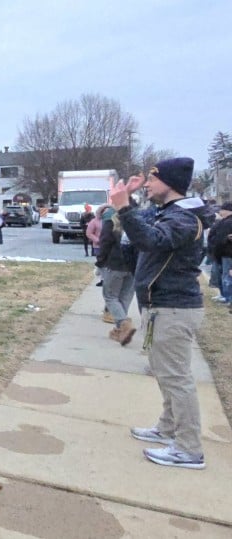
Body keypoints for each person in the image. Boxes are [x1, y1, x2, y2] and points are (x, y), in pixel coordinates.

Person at [112, 157, 214, 470]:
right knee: (165, 373)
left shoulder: (183, 219)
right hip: (161, 306)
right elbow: (139, 234)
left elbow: (151, 240)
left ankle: (188, 448)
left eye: (153, 180)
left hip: (173, 307)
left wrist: (125, 208)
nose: (148, 184)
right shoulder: (168, 213)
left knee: (176, 378)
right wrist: (124, 204)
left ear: (169, 183)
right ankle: (168, 428)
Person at [97, 206, 136, 345]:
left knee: (110, 296)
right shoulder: (137, 222)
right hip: (133, 266)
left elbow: (105, 243)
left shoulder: (111, 221)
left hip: (115, 264)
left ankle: (123, 324)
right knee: (124, 298)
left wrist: (100, 262)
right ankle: (121, 330)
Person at [206, 202, 232, 304]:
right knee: (222, 275)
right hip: (221, 253)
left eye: (222, 210)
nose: (220, 211)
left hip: (227, 253)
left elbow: (221, 239)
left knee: (227, 276)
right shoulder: (223, 221)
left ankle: (228, 298)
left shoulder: (228, 222)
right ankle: (224, 296)